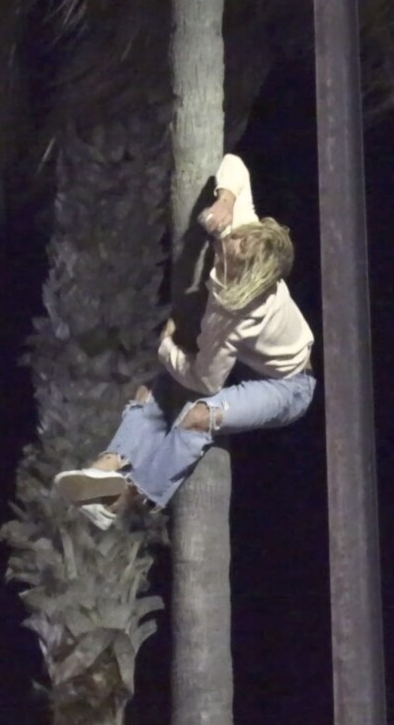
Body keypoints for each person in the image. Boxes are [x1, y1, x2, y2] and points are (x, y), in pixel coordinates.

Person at [53, 154, 316, 528]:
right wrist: (225, 200)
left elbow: (206, 382)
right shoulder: (243, 237)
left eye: (235, 246)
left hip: (289, 386)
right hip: (246, 364)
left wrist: (167, 347)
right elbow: (237, 164)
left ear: (244, 274)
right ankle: (105, 467)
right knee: (150, 393)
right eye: (240, 235)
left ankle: (126, 498)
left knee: (197, 416)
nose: (230, 238)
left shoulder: (232, 318)